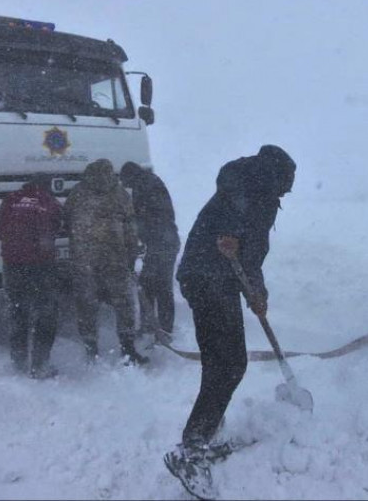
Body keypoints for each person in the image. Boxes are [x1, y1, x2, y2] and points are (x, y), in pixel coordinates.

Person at [174, 144, 296, 455]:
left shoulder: (249, 187)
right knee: (230, 364)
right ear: (277, 179)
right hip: (211, 279)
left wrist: (258, 293)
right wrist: (230, 236)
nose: (283, 197)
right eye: (284, 190)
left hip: (203, 277)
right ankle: (195, 442)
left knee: (219, 362)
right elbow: (237, 229)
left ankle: (204, 429)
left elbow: (249, 254)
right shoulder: (251, 191)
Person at [65, 158, 149, 365]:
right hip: (115, 259)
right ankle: (128, 350)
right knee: (124, 305)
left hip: (85, 260)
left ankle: (91, 351)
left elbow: (66, 219)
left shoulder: (77, 193)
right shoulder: (119, 194)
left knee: (87, 305)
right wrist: (131, 256)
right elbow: (130, 228)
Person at [0, 173, 64, 379]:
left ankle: (19, 361)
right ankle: (40, 365)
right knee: (46, 314)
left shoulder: (10, 200)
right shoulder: (48, 201)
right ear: (46, 186)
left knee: (18, 312)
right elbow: (57, 228)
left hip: (13, 265)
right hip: (41, 265)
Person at [120, 161, 181, 344]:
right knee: (150, 285)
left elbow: (147, 218)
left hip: (162, 243)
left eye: (125, 181)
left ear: (130, 176)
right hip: (164, 242)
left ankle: (162, 330)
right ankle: (154, 327)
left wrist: (138, 236)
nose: (125, 186)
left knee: (158, 287)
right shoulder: (150, 182)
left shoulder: (144, 185)